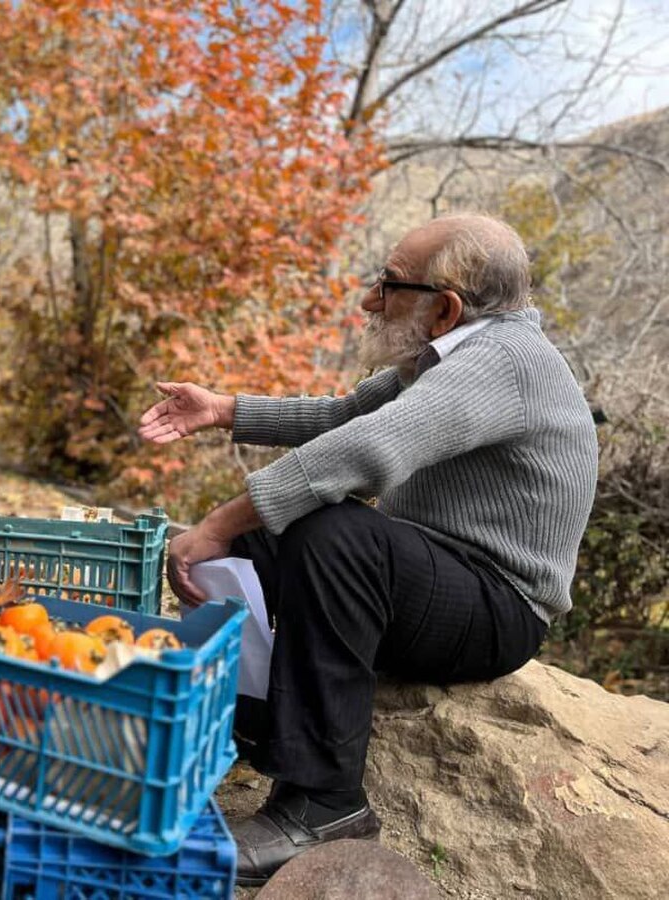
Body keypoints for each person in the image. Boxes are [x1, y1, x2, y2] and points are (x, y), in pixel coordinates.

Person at [137, 213, 598, 885]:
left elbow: (366, 450)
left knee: (329, 531)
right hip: (432, 576)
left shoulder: (503, 361)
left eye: (388, 284)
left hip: (499, 603)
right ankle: (253, 726)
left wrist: (216, 523)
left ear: (446, 307)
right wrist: (224, 409)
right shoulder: (448, 355)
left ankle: (325, 804)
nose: (369, 301)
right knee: (274, 528)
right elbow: (344, 417)